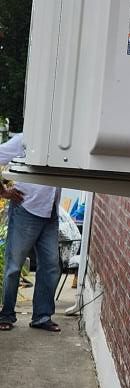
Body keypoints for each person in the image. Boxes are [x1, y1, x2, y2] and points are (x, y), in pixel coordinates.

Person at [0, 133, 61, 332]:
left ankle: (42, 317)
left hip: (50, 211)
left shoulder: (64, 139)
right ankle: (6, 314)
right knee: (14, 266)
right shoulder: (25, 139)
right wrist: (3, 192)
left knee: (50, 266)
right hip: (26, 208)